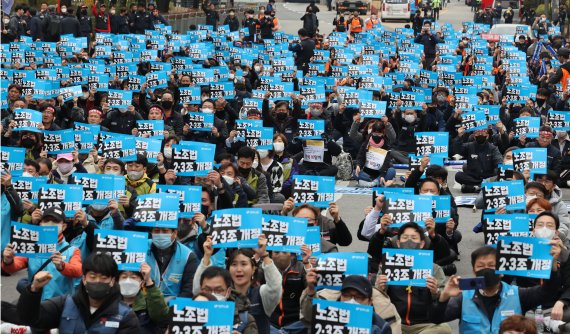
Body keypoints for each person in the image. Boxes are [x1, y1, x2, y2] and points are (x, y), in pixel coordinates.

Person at [433, 245, 562, 334]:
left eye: (491, 266)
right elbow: (436, 318)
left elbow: (548, 291)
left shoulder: (518, 294)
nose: (487, 269)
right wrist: (444, 297)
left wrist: (552, 267)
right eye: (481, 266)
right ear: (474, 271)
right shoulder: (463, 296)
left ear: (501, 271)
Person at [16, 252, 140, 332]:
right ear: (84, 279)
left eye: (104, 278)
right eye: (93, 276)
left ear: (112, 281)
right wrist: (33, 290)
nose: (98, 281)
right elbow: (31, 319)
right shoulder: (64, 304)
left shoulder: (125, 316)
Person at [193, 235, 282, 333]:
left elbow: (275, 287)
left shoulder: (261, 293)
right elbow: (198, 292)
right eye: (234, 264)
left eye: (244, 264)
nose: (239, 270)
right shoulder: (222, 295)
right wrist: (207, 256)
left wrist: (264, 255)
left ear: (253, 269)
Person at [375, 222, 451, 334]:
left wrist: (436, 291)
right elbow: (376, 299)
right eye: (405, 237)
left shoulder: (434, 268)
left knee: (444, 329)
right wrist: (380, 288)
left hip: (424, 325)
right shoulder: (387, 266)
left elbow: (444, 299)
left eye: (414, 238)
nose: (409, 241)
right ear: (398, 243)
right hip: (395, 323)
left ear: (421, 244)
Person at [2, 207, 82, 300]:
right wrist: (8, 260)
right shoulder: (31, 247)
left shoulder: (72, 250)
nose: (50, 224)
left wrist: (62, 266)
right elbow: (12, 267)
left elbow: (78, 271)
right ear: (40, 224)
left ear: (63, 227)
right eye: (47, 220)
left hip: (59, 306)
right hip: (35, 303)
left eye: (55, 221)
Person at [301, 275, 393, 334]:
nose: (351, 301)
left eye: (359, 297)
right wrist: (311, 291)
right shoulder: (326, 315)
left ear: (369, 302)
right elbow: (308, 318)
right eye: (347, 296)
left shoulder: (381, 327)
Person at [198, 266, 258, 333]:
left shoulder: (244, 320)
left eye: (218, 290)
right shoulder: (187, 314)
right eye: (207, 290)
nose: (212, 295)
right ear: (200, 290)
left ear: (228, 292)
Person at [117, 264, 169, 333]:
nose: (128, 281)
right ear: (117, 281)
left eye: (133, 277)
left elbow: (161, 317)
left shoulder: (149, 302)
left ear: (141, 282)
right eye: (124, 277)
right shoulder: (111, 304)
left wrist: (148, 281)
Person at [452, 128, 503, 193]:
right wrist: (459, 136)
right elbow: (457, 150)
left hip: (488, 176)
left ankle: (473, 187)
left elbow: (499, 162)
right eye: (478, 133)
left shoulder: (493, 148)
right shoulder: (469, 146)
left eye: (482, 133)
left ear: (487, 136)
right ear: (474, 136)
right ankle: (481, 185)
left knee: (497, 174)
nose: (480, 134)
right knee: (458, 175)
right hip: (473, 176)